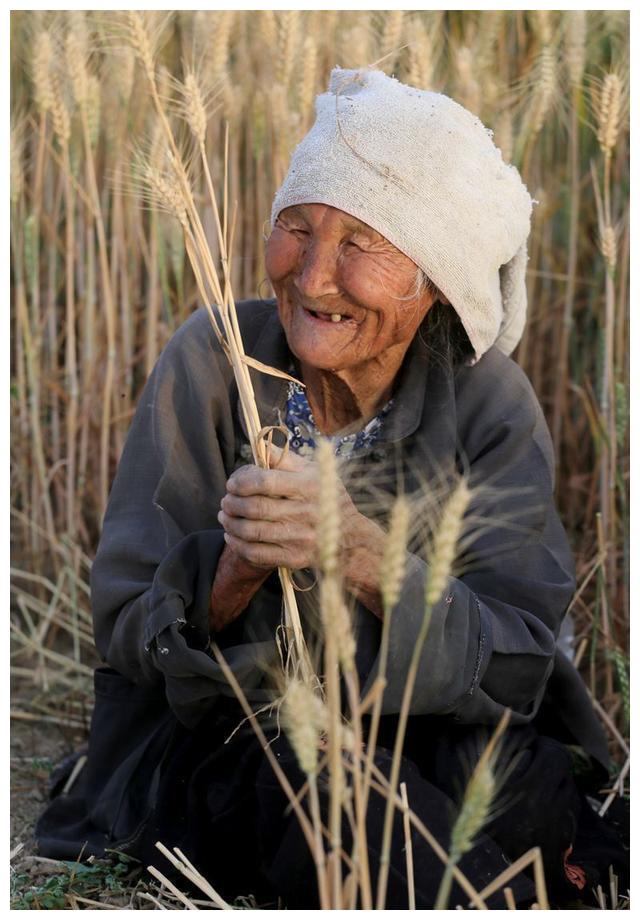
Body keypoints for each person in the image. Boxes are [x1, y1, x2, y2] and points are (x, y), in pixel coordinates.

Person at [36, 68, 626, 908]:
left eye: (361, 244)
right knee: (321, 791)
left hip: (423, 728)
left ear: (436, 281)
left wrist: (362, 557)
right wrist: (233, 572)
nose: (313, 278)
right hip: (239, 735)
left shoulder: (491, 401)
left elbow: (519, 666)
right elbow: (129, 628)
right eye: (296, 228)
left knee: (517, 785)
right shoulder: (214, 359)